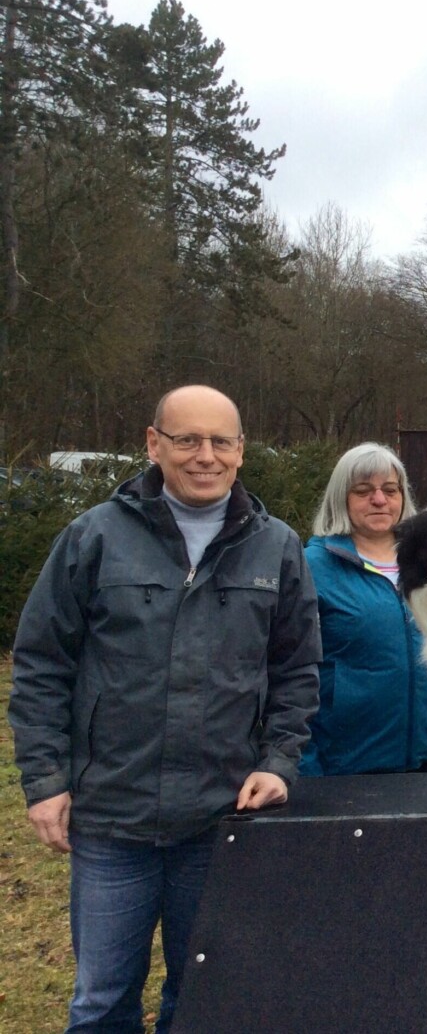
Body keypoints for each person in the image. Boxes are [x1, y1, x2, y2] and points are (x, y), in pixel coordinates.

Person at [8, 385, 321, 1033]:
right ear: (154, 444)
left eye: (221, 441)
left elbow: (295, 668)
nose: (204, 455)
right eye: (187, 440)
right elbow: (41, 664)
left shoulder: (277, 547)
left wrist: (280, 760)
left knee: (205, 997)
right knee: (101, 1005)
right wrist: (45, 783)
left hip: (220, 819)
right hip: (110, 823)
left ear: (240, 451)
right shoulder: (92, 538)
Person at [299, 442, 427, 777]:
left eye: (390, 490)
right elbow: (292, 671)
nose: (379, 500)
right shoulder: (311, 567)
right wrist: (304, 763)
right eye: (363, 491)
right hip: (345, 766)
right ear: (341, 498)